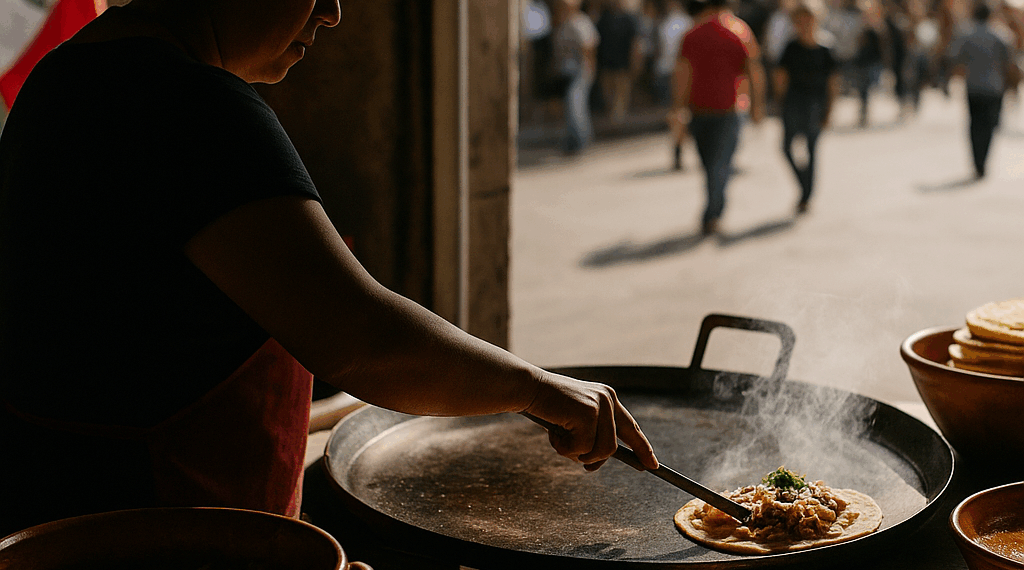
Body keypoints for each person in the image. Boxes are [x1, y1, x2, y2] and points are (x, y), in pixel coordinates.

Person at [0, 0, 659, 540]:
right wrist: (541, 389)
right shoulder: (190, 103)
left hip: (60, 513)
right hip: (155, 534)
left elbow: (138, 340)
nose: (334, 13)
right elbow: (362, 340)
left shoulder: (71, 73)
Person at [675, 0, 767, 236]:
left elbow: (683, 73)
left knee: (709, 165)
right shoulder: (739, 31)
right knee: (720, 164)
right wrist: (758, 106)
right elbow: (753, 71)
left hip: (699, 109)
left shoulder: (692, 33)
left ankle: (712, 212)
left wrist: (678, 108)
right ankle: (714, 212)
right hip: (730, 108)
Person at [774, 4, 839, 215]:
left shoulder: (826, 48)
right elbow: (781, 77)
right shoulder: (791, 47)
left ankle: (806, 194)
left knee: (811, 149)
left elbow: (833, 82)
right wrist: (780, 101)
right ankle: (804, 185)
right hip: (794, 102)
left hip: (815, 104)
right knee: (786, 147)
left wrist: (829, 110)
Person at [948, 1, 1013, 178]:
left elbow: (955, 56)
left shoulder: (966, 33)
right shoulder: (1001, 34)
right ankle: (983, 160)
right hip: (994, 87)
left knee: (974, 124)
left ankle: (977, 162)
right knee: (989, 125)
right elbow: (1009, 59)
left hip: (973, 86)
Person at [552, 0, 601, 154]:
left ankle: (581, 140)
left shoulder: (581, 22)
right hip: (566, 71)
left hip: (581, 70)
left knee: (576, 104)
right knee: (570, 105)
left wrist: (589, 70)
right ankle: (572, 140)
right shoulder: (563, 23)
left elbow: (589, 48)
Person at [654, 0, 693, 170]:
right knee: (683, 112)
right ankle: (680, 148)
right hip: (683, 70)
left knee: (676, 112)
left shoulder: (665, 24)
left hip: (667, 69)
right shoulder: (689, 23)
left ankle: (678, 149)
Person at [596, 0, 640, 122]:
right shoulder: (603, 19)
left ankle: (618, 124)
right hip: (606, 64)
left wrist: (635, 62)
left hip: (623, 65)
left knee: (621, 98)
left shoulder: (629, 20)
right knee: (608, 96)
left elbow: (635, 43)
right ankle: (612, 122)